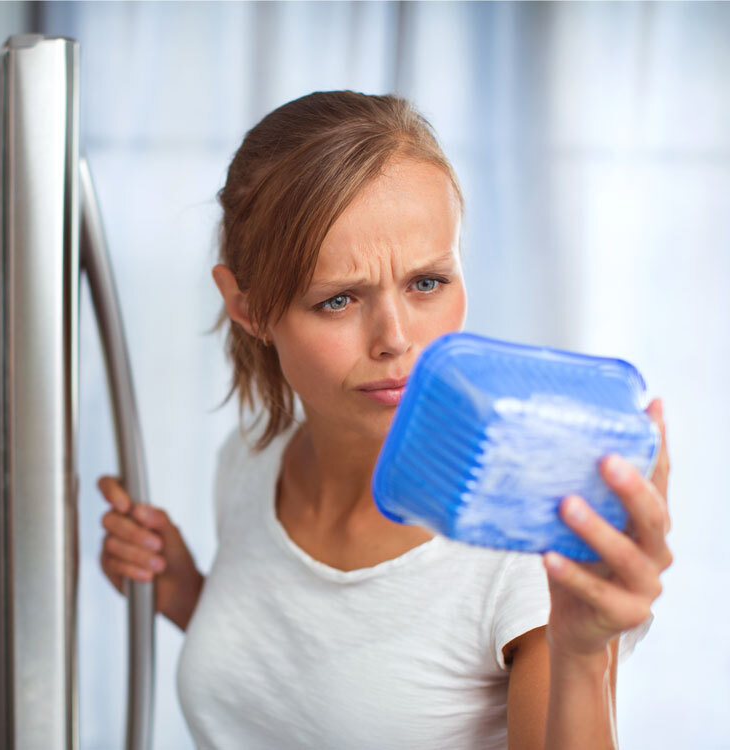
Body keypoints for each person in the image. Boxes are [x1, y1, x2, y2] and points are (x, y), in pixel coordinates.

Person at [97, 91, 672, 749]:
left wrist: (581, 657)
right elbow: (309, 697)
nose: (396, 340)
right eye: (338, 299)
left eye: (427, 283)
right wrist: (184, 593)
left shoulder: (523, 538)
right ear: (246, 305)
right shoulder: (250, 462)